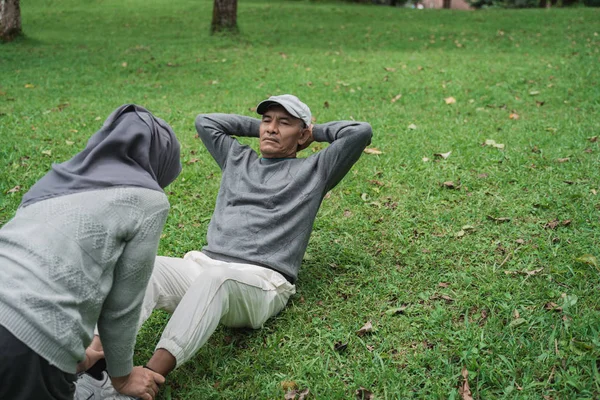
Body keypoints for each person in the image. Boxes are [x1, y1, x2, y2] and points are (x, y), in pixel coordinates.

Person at [79, 94, 373, 399]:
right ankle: (96, 358)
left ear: (302, 134)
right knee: (145, 265)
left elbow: (360, 131)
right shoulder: (237, 159)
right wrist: (267, 128)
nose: (271, 129)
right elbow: (206, 122)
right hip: (204, 265)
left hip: (262, 281)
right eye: (266, 121)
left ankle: (148, 379)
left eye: (283, 123)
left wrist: (313, 132)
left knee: (216, 280)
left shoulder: (316, 170)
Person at [0, 104, 182, 400]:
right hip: (27, 345)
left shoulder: (50, 183)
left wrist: (76, 354)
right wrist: (122, 377)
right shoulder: (147, 200)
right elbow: (122, 306)